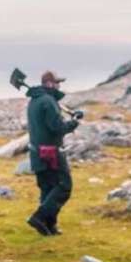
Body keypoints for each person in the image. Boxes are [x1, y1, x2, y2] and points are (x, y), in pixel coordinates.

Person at [25, 71, 82, 236]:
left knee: (48, 188)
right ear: (49, 84)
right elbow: (57, 128)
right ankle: (39, 217)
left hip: (37, 152)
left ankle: (49, 226)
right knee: (64, 186)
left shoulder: (35, 100)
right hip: (51, 152)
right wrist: (74, 122)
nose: (59, 86)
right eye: (57, 83)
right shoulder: (48, 102)